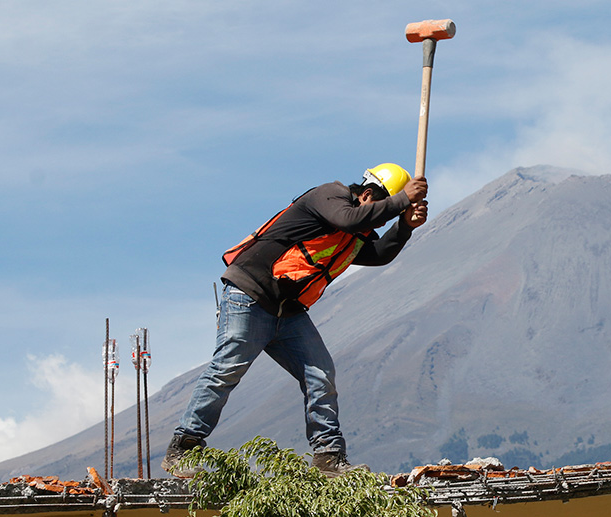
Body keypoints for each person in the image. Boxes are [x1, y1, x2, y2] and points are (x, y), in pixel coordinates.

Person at [161, 163, 428, 478]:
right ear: (367, 194)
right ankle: (184, 449)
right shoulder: (330, 196)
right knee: (226, 371)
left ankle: (328, 457)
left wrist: (405, 226)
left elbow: (379, 253)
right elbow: (349, 218)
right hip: (250, 295)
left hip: (287, 312)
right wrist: (400, 201)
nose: (377, 220)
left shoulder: (354, 236)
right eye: (381, 206)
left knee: (320, 375)